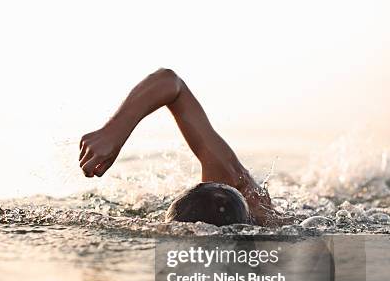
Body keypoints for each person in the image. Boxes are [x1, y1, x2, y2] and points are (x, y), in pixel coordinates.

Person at [79, 68, 291, 227]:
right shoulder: (240, 187)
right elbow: (170, 82)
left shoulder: (241, 195)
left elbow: (171, 82)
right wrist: (113, 131)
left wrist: (112, 132)